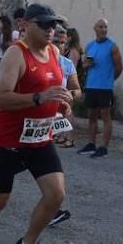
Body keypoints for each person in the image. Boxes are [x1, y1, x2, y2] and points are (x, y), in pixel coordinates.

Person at [0, 4, 73, 244]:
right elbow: (0, 98)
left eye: (54, 25)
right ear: (26, 25)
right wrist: (39, 98)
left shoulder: (54, 51)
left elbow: (53, 90)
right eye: (45, 24)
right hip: (9, 140)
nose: (51, 30)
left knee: (56, 194)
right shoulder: (17, 55)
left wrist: (62, 103)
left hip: (39, 138)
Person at [48, 26, 83, 228]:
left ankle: (52, 209)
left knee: (49, 166)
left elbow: (77, 90)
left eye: (62, 43)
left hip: (55, 119)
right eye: (56, 42)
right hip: (30, 121)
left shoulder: (67, 64)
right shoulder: (36, 60)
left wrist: (71, 95)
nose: (59, 46)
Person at [79, 18, 123, 158]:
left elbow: (119, 67)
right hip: (91, 85)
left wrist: (109, 80)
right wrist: (86, 66)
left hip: (104, 88)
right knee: (91, 116)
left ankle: (104, 147)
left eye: (105, 27)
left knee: (105, 116)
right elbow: (84, 66)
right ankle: (91, 144)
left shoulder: (112, 46)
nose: (104, 29)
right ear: (95, 28)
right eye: (101, 26)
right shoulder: (90, 46)